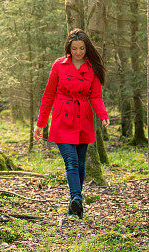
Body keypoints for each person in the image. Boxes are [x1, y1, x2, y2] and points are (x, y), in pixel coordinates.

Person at [34, 28, 109, 219]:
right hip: (62, 119)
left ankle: (74, 206)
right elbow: (48, 95)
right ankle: (76, 197)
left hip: (83, 119)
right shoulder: (59, 65)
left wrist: (103, 115)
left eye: (82, 48)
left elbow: (95, 95)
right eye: (74, 48)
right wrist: (41, 123)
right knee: (72, 163)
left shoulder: (92, 68)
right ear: (69, 47)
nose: (78, 52)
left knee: (82, 165)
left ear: (86, 48)